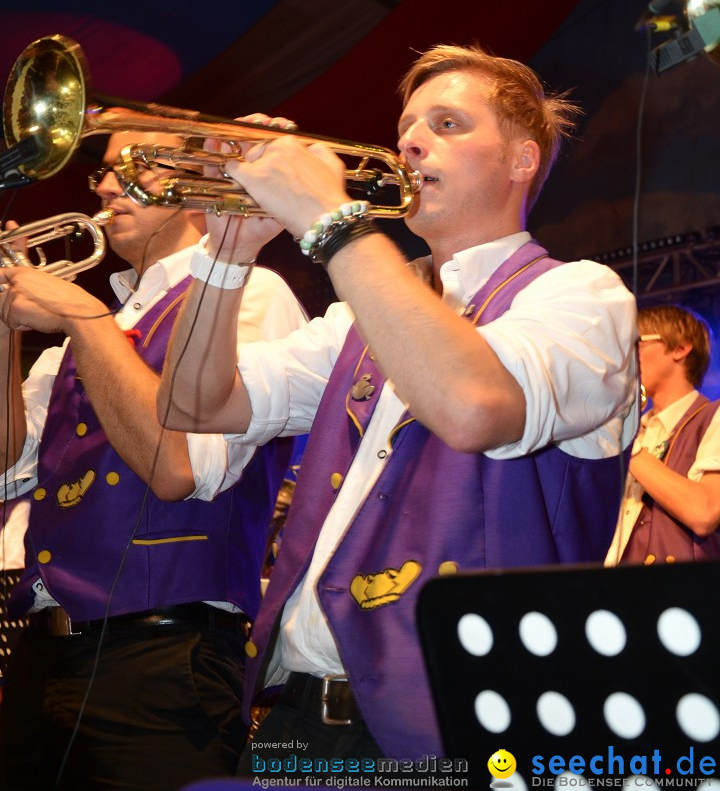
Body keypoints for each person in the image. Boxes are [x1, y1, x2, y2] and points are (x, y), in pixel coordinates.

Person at [158, 44, 638, 771]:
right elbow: (196, 402)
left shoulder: (581, 295)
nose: (410, 142)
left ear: (522, 162)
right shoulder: (361, 315)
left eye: (448, 124)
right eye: (409, 126)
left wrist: (332, 220)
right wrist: (226, 254)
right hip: (301, 717)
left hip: (469, 729)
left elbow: (473, 407)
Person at [0, 129, 307, 791]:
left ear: (198, 186)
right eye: (103, 174)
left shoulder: (252, 293)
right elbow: (4, 471)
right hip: (46, 650)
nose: (107, 187)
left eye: (132, 168)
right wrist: (4, 330)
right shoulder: (86, 332)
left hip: (165, 655)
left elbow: (181, 471)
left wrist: (84, 319)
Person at [606, 304, 720, 566]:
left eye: (636, 342)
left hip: (685, 595)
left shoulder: (714, 416)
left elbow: (704, 512)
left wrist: (625, 442)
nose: (626, 356)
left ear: (680, 347)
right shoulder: (635, 429)